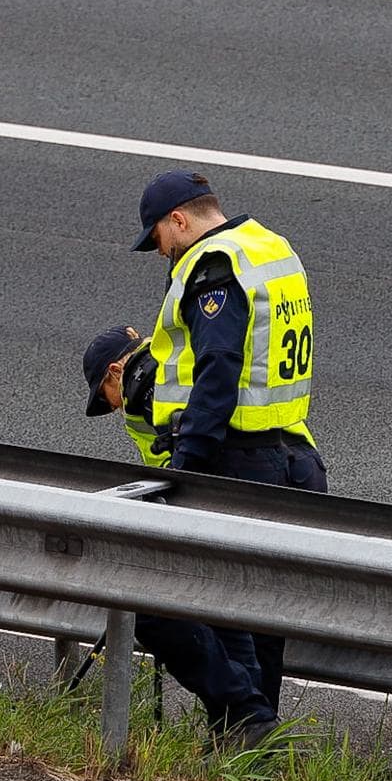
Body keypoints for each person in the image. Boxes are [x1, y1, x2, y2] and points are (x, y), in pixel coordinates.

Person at [76, 169, 328, 745]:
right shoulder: (272, 248)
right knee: (258, 613)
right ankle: (251, 735)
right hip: (294, 452)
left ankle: (245, 717)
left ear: (179, 220)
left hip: (235, 456)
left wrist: (187, 461)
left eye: (158, 238)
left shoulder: (214, 266)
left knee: (163, 601)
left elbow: (219, 364)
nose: (161, 252)